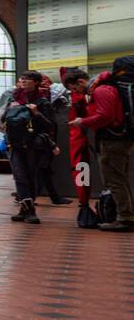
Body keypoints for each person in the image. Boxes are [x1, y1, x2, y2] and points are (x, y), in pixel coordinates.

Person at [72, 57, 134, 231]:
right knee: (119, 178)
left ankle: (125, 218)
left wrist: (82, 122)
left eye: (75, 88)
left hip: (112, 141)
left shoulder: (101, 90)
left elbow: (105, 116)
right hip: (119, 139)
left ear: (81, 81)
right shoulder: (108, 87)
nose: (76, 92)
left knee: (114, 180)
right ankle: (125, 214)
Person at [0, 71, 58, 225]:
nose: (23, 81)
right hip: (14, 143)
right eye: (22, 79)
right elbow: (4, 119)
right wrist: (7, 112)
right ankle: (28, 209)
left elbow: (50, 125)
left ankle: (26, 209)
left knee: (30, 177)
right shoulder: (13, 99)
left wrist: (36, 113)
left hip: (33, 145)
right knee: (20, 176)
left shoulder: (43, 102)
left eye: (28, 79)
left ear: (36, 82)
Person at [61, 70, 95, 222]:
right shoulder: (86, 95)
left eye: (74, 89)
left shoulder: (87, 96)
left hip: (84, 139)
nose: (74, 92)